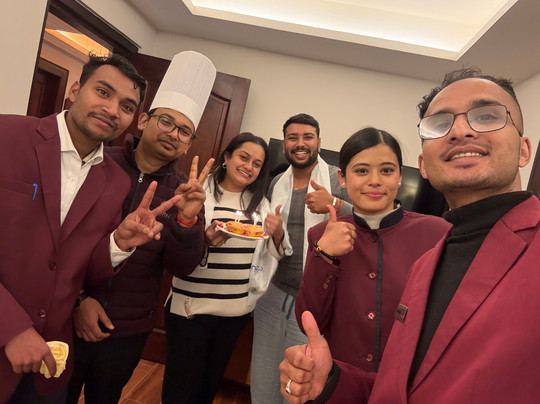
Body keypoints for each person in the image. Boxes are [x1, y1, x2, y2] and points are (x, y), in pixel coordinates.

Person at [279, 67, 540, 404]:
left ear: (524, 150)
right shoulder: (435, 256)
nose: (461, 130)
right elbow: (403, 384)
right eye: (441, 124)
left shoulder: (435, 233)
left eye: (487, 116)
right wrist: (332, 381)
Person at [0, 53, 181, 403]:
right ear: (75, 89)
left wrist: (118, 244)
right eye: (103, 92)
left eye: (126, 106)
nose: (112, 110)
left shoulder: (114, 181)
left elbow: (77, 270)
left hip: (50, 362)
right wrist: (12, 327)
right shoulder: (7, 136)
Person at [65, 51, 217, 404]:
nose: (173, 134)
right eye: (166, 122)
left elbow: (182, 266)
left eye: (184, 131)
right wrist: (79, 301)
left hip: (128, 328)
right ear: (143, 120)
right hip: (68, 313)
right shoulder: (98, 162)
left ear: (189, 145)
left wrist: (187, 220)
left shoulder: (184, 193)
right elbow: (62, 239)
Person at [295, 127, 450, 371]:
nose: (375, 180)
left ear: (399, 176)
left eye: (386, 170)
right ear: (342, 178)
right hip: (341, 379)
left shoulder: (437, 233)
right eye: (361, 171)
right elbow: (310, 322)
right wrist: (323, 255)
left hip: (406, 379)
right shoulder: (321, 234)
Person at [162, 132, 284, 404]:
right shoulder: (199, 193)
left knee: (209, 385)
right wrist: (202, 241)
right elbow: (174, 246)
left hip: (235, 312)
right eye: (244, 157)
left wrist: (278, 235)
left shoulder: (260, 204)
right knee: (181, 389)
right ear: (227, 157)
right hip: (191, 309)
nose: (249, 167)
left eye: (257, 164)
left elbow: (271, 254)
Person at [251, 113, 352, 404]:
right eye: (292, 137)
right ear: (285, 144)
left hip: (314, 302)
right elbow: (276, 243)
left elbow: (369, 217)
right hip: (273, 295)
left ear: (319, 142)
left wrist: (335, 203)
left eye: (308, 137)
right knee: (262, 380)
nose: (300, 143)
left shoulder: (335, 179)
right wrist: (276, 234)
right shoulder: (276, 182)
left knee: (297, 388)